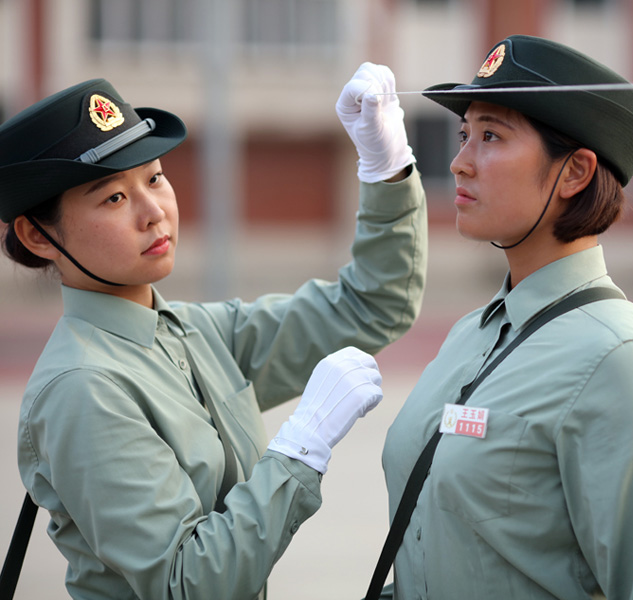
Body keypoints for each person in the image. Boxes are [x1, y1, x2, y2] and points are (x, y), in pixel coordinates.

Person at [0, 63, 426, 599]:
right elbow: (188, 583)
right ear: (38, 237)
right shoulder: (83, 388)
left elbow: (372, 306)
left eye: (154, 178)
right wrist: (300, 451)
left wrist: (386, 169)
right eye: (113, 198)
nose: (154, 212)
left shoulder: (196, 331)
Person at [374, 35, 633, 600]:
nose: (459, 162)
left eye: (492, 136)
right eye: (465, 135)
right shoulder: (470, 333)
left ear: (574, 173)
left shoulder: (618, 358)